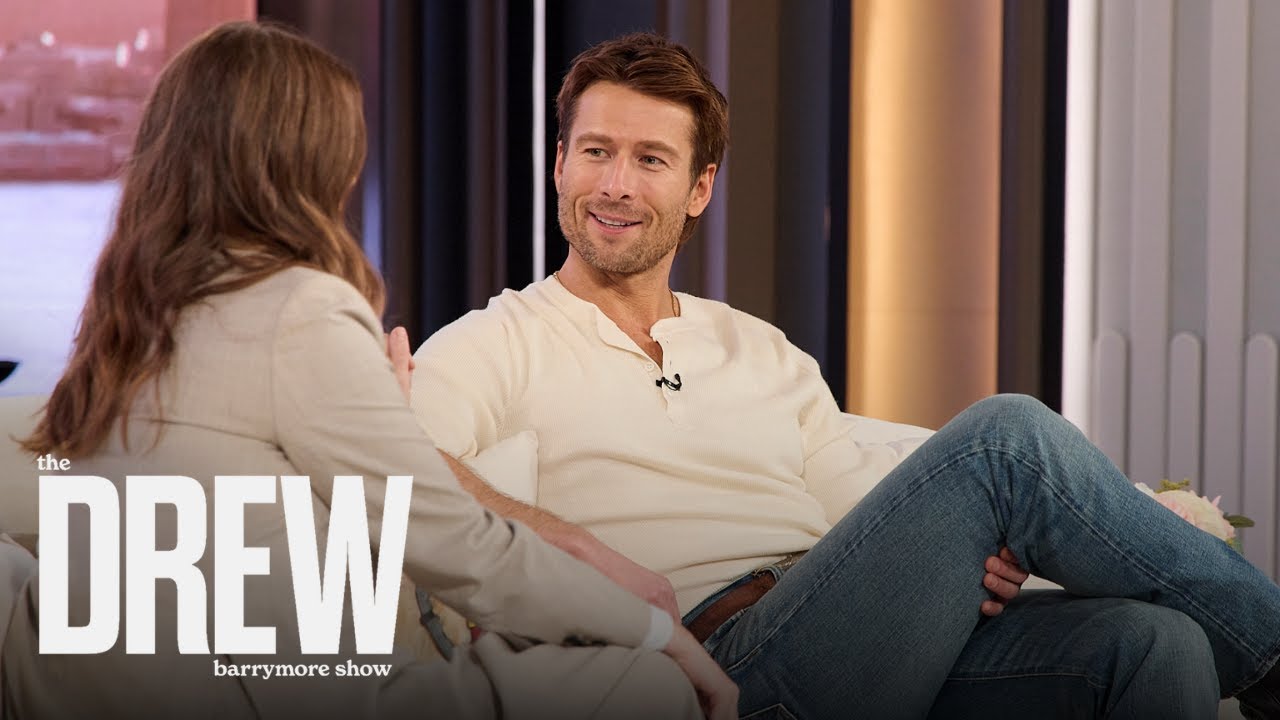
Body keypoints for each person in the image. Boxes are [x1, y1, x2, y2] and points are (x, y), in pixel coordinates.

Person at [409, 32, 1280, 720]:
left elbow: (857, 508)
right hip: (717, 665)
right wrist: (575, 547)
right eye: (596, 151)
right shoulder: (492, 342)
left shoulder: (762, 349)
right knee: (1006, 438)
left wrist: (967, 551)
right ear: (559, 164)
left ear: (699, 188)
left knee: (1156, 643)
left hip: (843, 630)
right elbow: (385, 470)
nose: (615, 185)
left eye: (650, 160)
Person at [1, 22, 737, 720]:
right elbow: (459, 546)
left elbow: (244, 524)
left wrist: (374, 413)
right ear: (307, 157)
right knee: (643, 683)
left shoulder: (134, 311)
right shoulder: (299, 309)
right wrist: (653, 631)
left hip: (92, 685)